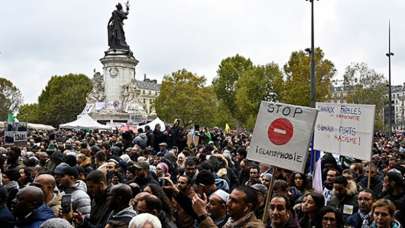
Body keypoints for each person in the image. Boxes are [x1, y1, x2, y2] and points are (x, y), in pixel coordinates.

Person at [192, 185, 265, 228]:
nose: (228, 204)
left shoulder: (255, 226)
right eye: (229, 198)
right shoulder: (232, 221)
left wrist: (204, 216)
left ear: (247, 207)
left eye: (234, 201)